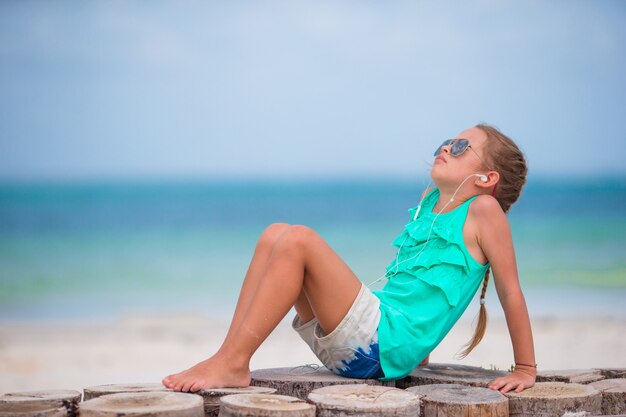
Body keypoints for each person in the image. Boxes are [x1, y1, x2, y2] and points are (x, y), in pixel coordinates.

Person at [162, 123, 536, 394]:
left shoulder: (485, 211)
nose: (445, 148)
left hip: (376, 348)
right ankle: (227, 355)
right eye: (446, 141)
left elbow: (511, 292)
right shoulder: (430, 203)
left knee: (298, 240)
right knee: (273, 235)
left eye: (460, 148)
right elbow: (422, 284)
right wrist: (422, 350)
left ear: (487, 178)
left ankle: (233, 363)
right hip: (369, 345)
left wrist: (525, 368)